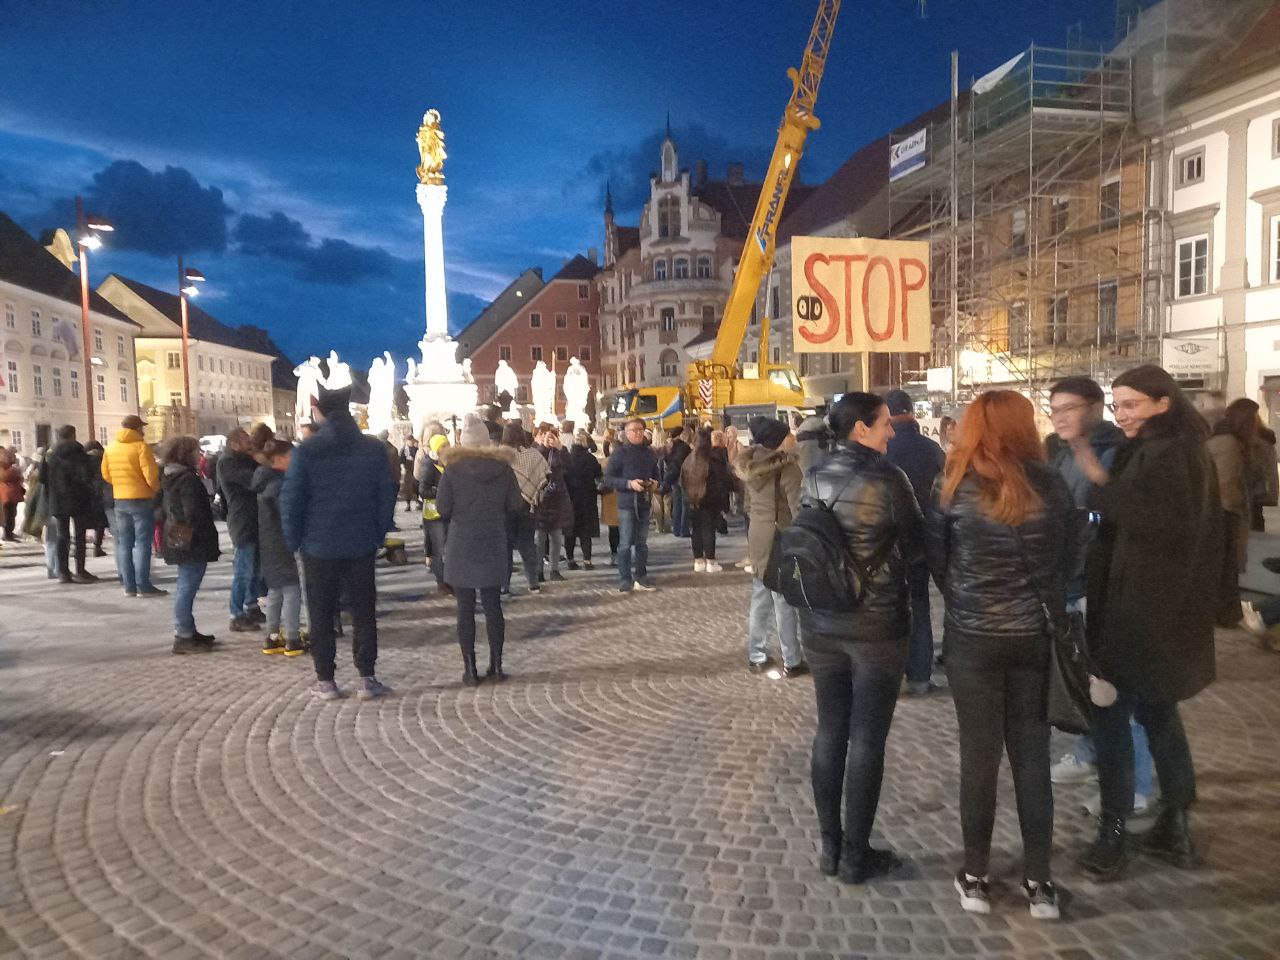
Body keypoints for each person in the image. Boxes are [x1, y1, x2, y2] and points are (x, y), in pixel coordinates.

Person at [1067, 365, 1218, 880]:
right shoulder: (1176, 449)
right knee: (1158, 715)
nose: (1122, 413)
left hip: (1138, 616)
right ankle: (1174, 823)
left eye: (1131, 404)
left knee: (1111, 719)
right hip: (1161, 616)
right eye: (1118, 404)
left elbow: (1150, 519)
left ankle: (1114, 831)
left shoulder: (1168, 454)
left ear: (1163, 402)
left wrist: (1093, 476)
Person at [926, 391, 1073, 920]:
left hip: (972, 638)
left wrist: (969, 598)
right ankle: (1041, 883)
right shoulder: (1051, 484)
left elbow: (938, 565)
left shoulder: (952, 486)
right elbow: (1067, 558)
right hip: (1033, 636)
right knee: (1033, 758)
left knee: (978, 757)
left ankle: (976, 876)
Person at [800, 393, 923, 886]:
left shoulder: (813, 475)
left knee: (830, 730)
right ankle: (856, 855)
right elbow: (916, 547)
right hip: (876, 626)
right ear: (860, 429)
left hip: (821, 625)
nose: (891, 432)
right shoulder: (890, 479)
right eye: (884, 425)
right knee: (867, 737)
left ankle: (830, 848)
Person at [1045, 377, 1155, 817]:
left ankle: (1139, 786)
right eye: (1054, 409)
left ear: (1094, 407)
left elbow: (1108, 509)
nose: (1060, 417)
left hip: (1099, 584)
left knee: (1115, 689)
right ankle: (1091, 754)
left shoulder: (1115, 448)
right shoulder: (1057, 448)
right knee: (1082, 679)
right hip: (1067, 580)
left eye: (1068, 407)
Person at [281, 385, 398, 701]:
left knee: (320, 611)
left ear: (320, 412)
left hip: (317, 544)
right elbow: (386, 495)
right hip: (360, 541)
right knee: (363, 609)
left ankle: (326, 680)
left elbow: (292, 500)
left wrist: (294, 540)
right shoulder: (372, 449)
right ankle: (367, 677)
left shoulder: (306, 451)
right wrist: (377, 533)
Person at [437, 428, 524, 685]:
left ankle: (470, 669)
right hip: (493, 541)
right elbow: (515, 505)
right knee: (493, 606)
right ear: (487, 443)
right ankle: (496, 666)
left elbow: (442, 507)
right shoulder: (503, 469)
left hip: (461, 543)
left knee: (464, 609)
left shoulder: (452, 470)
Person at [882, 389, 945, 696]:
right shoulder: (933, 449)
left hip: (888, 541)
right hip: (924, 538)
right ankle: (920, 675)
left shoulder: (882, 449)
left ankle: (890, 676)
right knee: (920, 605)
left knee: (888, 608)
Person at [738, 416, 804, 676]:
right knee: (784, 599)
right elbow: (797, 507)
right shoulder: (787, 468)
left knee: (760, 596)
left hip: (758, 533)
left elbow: (746, 507)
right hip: (780, 535)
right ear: (778, 441)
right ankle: (792, 659)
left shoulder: (749, 468)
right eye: (788, 435)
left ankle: (756, 655)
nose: (792, 438)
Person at [159, 435, 221, 654]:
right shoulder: (186, 479)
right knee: (187, 587)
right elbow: (192, 512)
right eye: (196, 451)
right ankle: (183, 634)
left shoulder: (171, 475)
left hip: (179, 536)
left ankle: (188, 629)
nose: (200, 455)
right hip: (190, 539)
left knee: (186, 585)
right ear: (186, 454)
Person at [1207, 398, 1257, 626]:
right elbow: (1226, 485)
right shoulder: (1229, 444)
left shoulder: (1223, 440)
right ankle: (1226, 614)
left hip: (1220, 512)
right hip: (1223, 514)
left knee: (1223, 566)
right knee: (1225, 567)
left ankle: (1225, 612)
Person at [101, 414, 164, 597]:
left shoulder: (111, 448)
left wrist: (120, 484)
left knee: (124, 543)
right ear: (137, 429)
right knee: (143, 543)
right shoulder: (141, 447)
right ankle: (143, 585)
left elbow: (105, 473)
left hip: (120, 499)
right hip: (141, 499)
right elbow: (151, 475)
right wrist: (154, 489)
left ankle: (129, 586)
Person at [254, 439, 305, 656]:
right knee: (292, 589)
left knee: (275, 589)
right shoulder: (281, 484)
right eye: (292, 457)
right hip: (284, 542)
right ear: (280, 459)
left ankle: (272, 636)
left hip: (268, 542)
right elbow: (289, 517)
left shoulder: (264, 482)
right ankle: (292, 638)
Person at [605, 418, 662, 593]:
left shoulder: (649, 453)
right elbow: (608, 479)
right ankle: (625, 579)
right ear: (626, 433)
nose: (637, 433)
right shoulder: (619, 453)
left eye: (639, 430)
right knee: (625, 543)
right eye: (633, 430)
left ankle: (641, 577)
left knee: (642, 543)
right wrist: (629, 484)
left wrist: (654, 483)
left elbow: (657, 474)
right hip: (627, 504)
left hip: (644, 502)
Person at [217, 428, 265, 632]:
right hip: (242, 519)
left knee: (255, 568)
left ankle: (251, 604)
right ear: (234, 443)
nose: (250, 441)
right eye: (246, 438)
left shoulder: (243, 459)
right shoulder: (228, 463)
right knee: (243, 569)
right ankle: (236, 613)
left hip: (254, 519)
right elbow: (255, 480)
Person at [41, 425, 97, 584]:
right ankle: (81, 570)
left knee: (62, 535)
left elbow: (42, 478)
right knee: (80, 535)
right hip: (78, 498)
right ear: (73, 434)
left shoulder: (49, 453)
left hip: (57, 499)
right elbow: (87, 474)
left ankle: (63, 572)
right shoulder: (79, 451)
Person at [501, 422, 549, 596]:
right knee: (527, 546)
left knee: (504, 548)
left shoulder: (501, 455)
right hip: (528, 506)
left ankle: (504, 586)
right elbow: (545, 476)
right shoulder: (533, 454)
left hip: (505, 507)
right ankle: (533, 583)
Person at [681, 427, 733, 572]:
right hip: (710, 499)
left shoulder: (689, 459)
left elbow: (683, 480)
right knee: (709, 530)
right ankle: (710, 561)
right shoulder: (712, 459)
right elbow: (722, 479)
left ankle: (698, 561)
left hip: (692, 500)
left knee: (696, 530)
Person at [534, 427, 574, 583]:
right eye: (546, 436)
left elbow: (570, 468)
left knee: (556, 537)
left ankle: (554, 569)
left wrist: (561, 449)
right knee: (539, 537)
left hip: (557, 499)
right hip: (541, 499)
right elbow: (537, 464)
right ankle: (538, 570)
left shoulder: (560, 452)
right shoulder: (537, 451)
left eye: (552, 436)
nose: (549, 439)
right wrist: (544, 446)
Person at [565, 429, 602, 570]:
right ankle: (587, 561)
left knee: (570, 532)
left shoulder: (567, 458)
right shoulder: (590, 459)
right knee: (585, 532)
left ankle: (570, 560)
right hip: (587, 497)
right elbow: (598, 475)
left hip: (571, 498)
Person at [419, 433, 451, 596]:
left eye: (447, 445)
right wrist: (440, 491)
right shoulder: (428, 465)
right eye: (443, 446)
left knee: (449, 548)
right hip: (433, 516)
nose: (446, 449)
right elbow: (423, 490)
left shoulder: (450, 464)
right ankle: (442, 582)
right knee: (438, 551)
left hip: (448, 512)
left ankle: (450, 579)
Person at [83, 440, 111, 557]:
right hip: (101, 491)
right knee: (100, 522)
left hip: (87, 492)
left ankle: (80, 547)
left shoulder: (83, 460)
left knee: (83, 521)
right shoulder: (104, 459)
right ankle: (97, 546)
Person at [1248, 421, 1277, 532]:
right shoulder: (1266, 441)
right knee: (1256, 517)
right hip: (1260, 491)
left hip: (1249, 491)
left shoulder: (1254, 443)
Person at [668, 426, 692, 538]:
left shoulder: (670, 447)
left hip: (673, 477)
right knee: (685, 505)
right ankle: (684, 529)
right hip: (683, 478)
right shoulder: (684, 447)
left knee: (676, 504)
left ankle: (676, 528)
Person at [0, 447, 23, 541]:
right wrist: (16, 472)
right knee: (8, 515)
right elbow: (4, 477)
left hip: (10, 493)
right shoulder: (6, 468)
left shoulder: (8, 467)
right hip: (7, 493)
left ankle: (9, 533)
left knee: (11, 514)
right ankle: (8, 534)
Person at [399, 436, 421, 512]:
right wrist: (403, 468)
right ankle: (408, 504)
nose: (410, 442)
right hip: (407, 470)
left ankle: (418, 502)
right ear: (406, 441)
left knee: (417, 486)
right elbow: (401, 460)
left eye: (411, 440)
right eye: (409, 440)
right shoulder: (404, 450)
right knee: (407, 488)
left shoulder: (416, 449)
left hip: (416, 469)